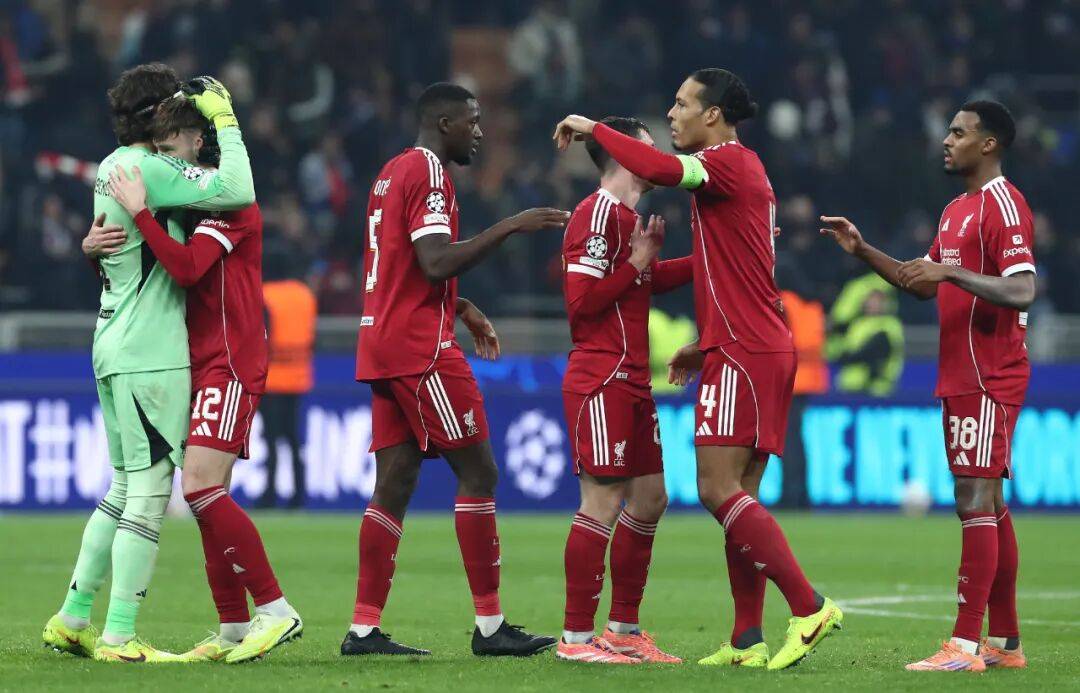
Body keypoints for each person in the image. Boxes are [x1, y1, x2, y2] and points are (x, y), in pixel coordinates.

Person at [554, 68, 842, 671]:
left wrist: (593, 127)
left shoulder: (723, 162)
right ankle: (746, 638)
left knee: (716, 489)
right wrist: (701, 337)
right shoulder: (734, 174)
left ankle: (809, 606)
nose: (672, 115)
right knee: (732, 496)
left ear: (712, 115)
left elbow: (661, 168)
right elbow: (709, 264)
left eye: (682, 104)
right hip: (738, 346)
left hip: (741, 349)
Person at [346, 82, 569, 657]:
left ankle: (364, 629)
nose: (479, 132)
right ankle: (491, 627)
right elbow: (435, 260)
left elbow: (399, 265)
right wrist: (510, 225)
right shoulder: (429, 172)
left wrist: (460, 305)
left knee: (395, 481)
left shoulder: (391, 172)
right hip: (420, 348)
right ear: (444, 123)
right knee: (479, 473)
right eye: (472, 120)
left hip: (383, 341)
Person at [43, 64, 255, 663]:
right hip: (150, 350)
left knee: (122, 484)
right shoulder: (153, 170)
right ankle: (119, 635)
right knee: (152, 488)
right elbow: (239, 189)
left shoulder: (110, 166)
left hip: (112, 339)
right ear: (156, 114)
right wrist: (225, 120)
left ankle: (72, 617)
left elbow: (114, 246)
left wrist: (89, 246)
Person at [821, 100, 1033, 672]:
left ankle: (963, 647)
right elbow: (918, 281)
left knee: (973, 499)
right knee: (990, 503)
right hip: (962, 373)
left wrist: (951, 272)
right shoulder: (956, 210)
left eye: (959, 133)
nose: (947, 140)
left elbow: (1023, 290)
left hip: (990, 373)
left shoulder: (1004, 204)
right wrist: (863, 249)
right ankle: (1005, 642)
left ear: (988, 144)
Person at [94, 94, 302, 664]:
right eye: (157, 150)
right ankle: (233, 625)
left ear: (197, 142)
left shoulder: (229, 205)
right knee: (210, 496)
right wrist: (96, 243)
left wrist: (140, 212)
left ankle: (275, 609)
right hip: (203, 359)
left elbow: (186, 270)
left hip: (230, 360)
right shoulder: (191, 205)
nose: (164, 160)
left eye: (170, 148)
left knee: (200, 488)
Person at [556, 116, 691, 665]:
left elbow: (648, 280)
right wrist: (637, 259)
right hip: (601, 377)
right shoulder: (596, 214)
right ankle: (575, 639)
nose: (658, 157)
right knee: (602, 501)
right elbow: (581, 305)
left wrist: (718, 258)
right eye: (648, 148)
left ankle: (623, 630)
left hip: (633, 380)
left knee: (651, 498)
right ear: (621, 154)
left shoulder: (629, 219)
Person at [259, 259, 317, 509]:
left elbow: (262, 336)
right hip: (298, 377)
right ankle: (298, 494)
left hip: (271, 379)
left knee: (271, 440)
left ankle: (269, 494)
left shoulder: (265, 294)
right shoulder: (305, 294)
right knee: (293, 439)